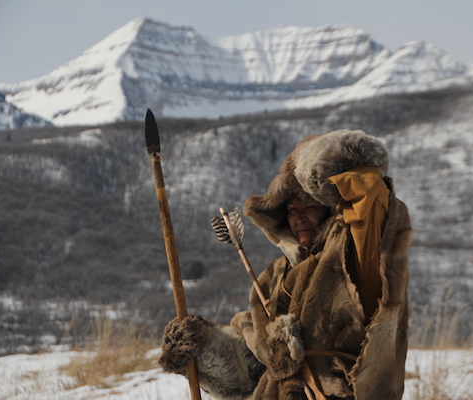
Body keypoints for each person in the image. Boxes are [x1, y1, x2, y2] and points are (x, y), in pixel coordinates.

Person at [159, 129, 413, 400]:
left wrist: (332, 163)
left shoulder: (357, 259)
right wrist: (201, 347)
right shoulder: (278, 274)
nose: (300, 216)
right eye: (292, 208)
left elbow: (369, 197)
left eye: (310, 205)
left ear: (330, 206)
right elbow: (251, 367)